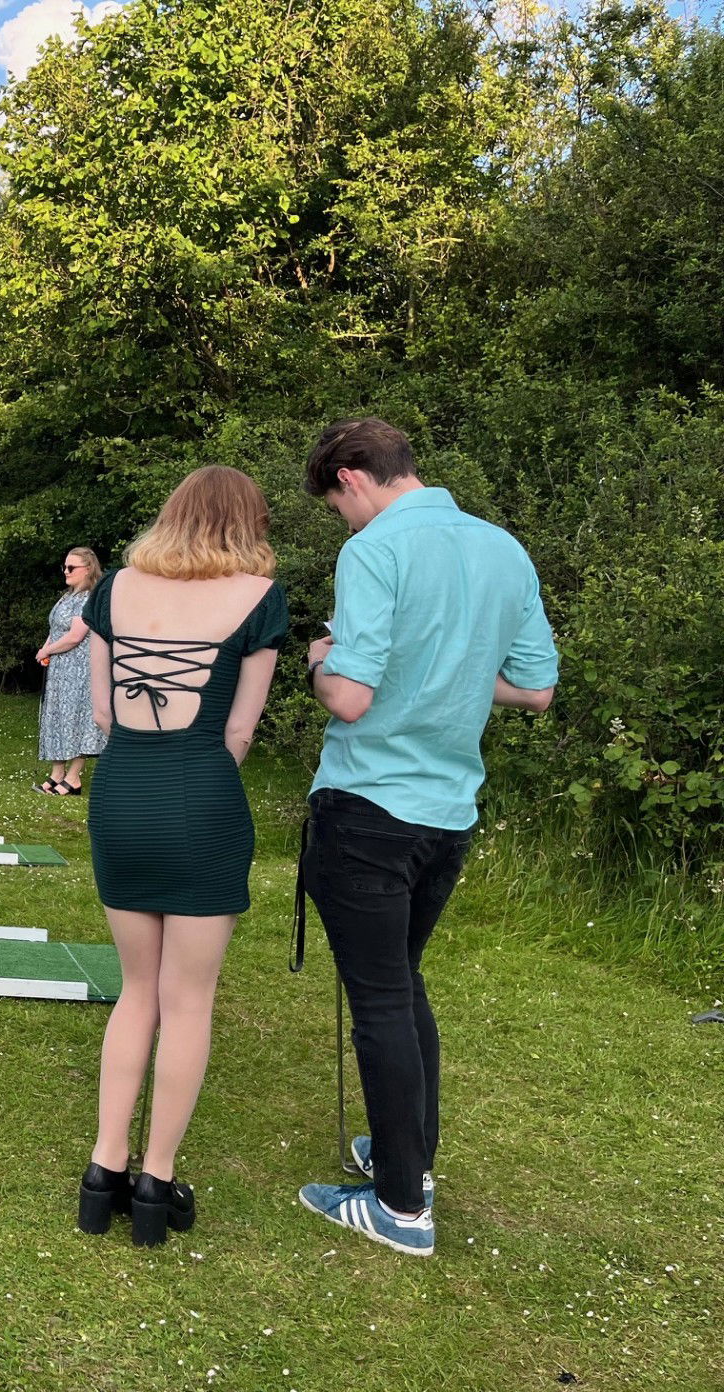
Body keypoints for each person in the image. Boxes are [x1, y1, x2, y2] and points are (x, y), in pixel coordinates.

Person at [295, 419, 556, 1258]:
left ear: (350, 477)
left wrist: (316, 659)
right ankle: (410, 1158)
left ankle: (401, 1209)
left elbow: (349, 699)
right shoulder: (502, 548)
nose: (342, 521)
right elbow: (534, 687)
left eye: (335, 504)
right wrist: (442, 668)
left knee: (380, 1000)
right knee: (401, 987)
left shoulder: (374, 551)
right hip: (448, 813)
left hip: (369, 805)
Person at [75, 467, 287, 1247]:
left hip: (122, 790)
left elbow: (101, 710)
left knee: (137, 991)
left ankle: (104, 1171)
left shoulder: (119, 587)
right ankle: (157, 1184)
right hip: (201, 791)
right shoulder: (259, 601)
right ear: (246, 523)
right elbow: (239, 732)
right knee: (187, 1001)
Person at [36, 546, 108, 795]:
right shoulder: (67, 596)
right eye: (64, 567)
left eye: (71, 567)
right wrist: (45, 649)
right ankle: (57, 774)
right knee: (56, 718)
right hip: (60, 670)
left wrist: (49, 651)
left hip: (79, 671)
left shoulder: (89, 598)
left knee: (76, 720)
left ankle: (73, 777)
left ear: (87, 569)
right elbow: (56, 629)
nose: (66, 571)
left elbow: (76, 636)